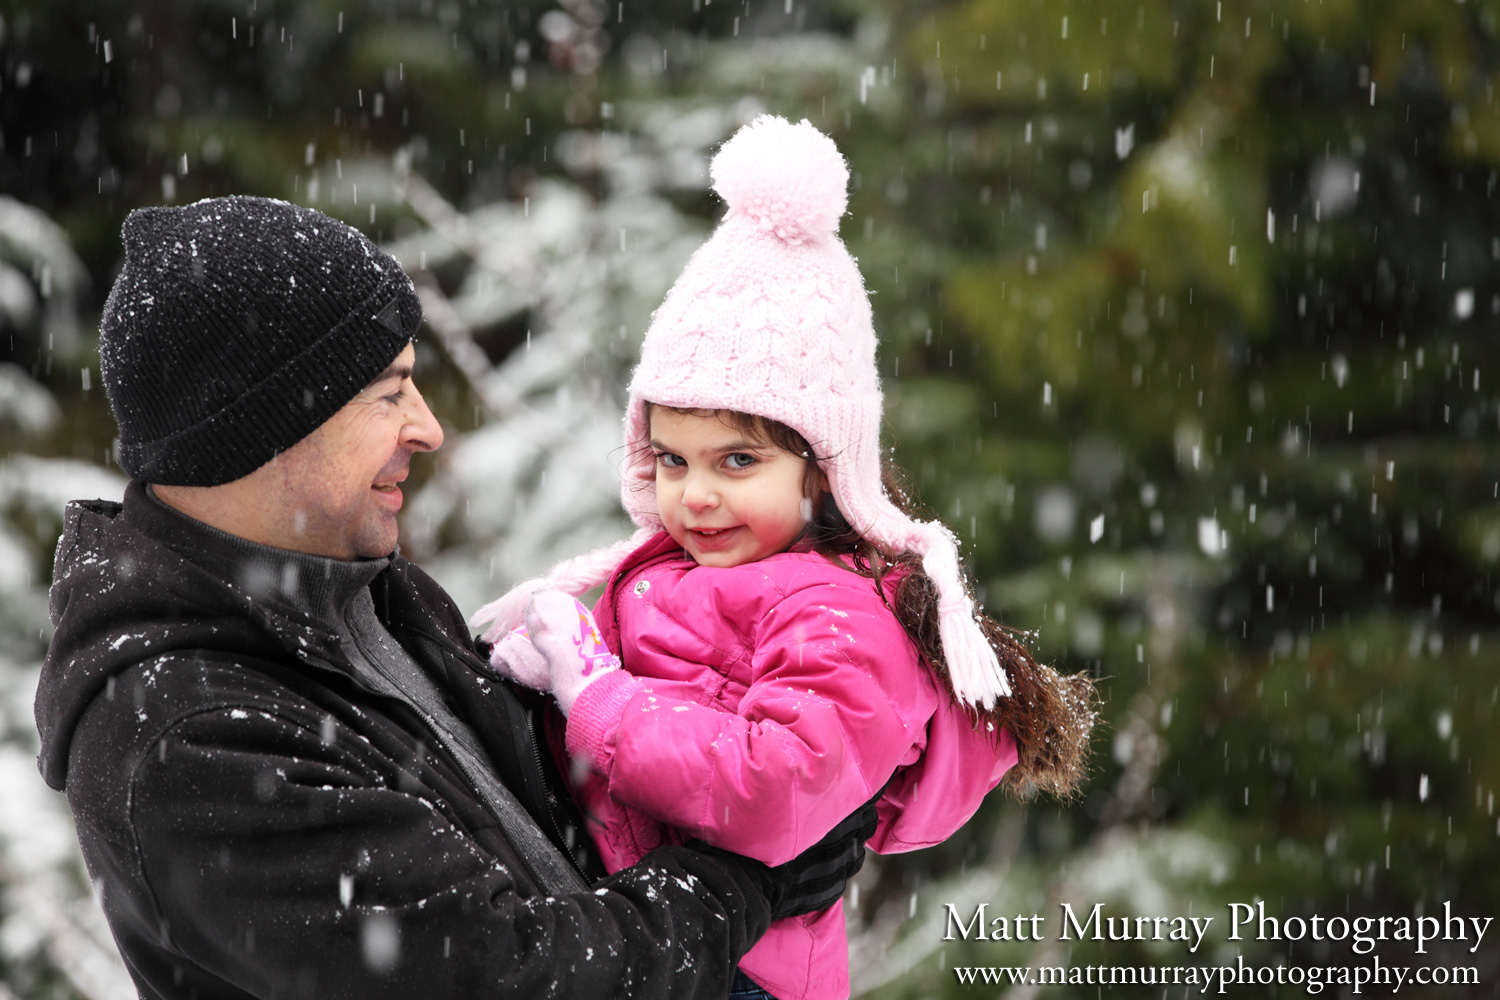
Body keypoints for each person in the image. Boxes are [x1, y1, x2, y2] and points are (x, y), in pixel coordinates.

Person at [33, 194, 874, 1000]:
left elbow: (548, 816)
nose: (428, 427)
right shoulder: (187, 741)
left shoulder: (356, 595)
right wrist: (740, 881)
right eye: (390, 391)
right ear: (267, 424)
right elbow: (507, 977)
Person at [471, 116, 1100, 1000]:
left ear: (823, 465)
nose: (696, 495)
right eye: (672, 459)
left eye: (738, 461)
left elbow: (774, 793)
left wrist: (598, 696)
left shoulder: (840, 612)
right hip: (652, 937)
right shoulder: (668, 574)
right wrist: (550, 687)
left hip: (745, 972)